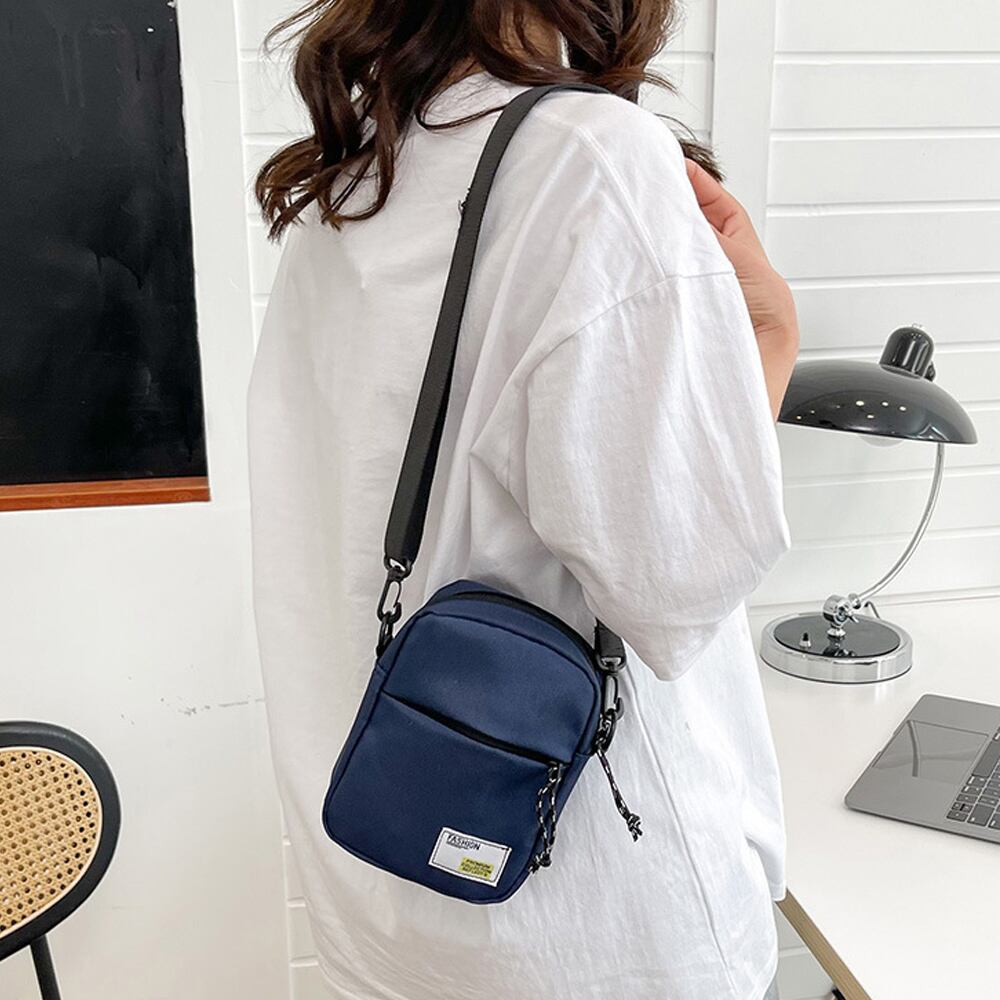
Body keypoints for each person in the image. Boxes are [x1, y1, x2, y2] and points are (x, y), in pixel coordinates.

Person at [246, 2, 799, 998]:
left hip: (387, 889)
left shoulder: (355, 176)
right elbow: (678, 582)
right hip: (594, 929)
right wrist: (770, 339)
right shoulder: (591, 158)